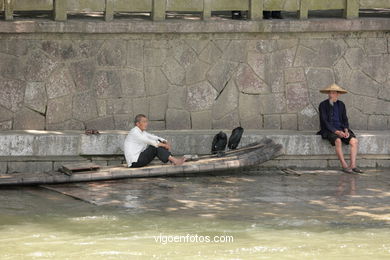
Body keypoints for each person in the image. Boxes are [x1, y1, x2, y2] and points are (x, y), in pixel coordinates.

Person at [317, 84, 363, 174]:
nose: (331, 95)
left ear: (338, 94)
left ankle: (353, 165)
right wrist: (336, 131)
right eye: (330, 93)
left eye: (333, 93)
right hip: (329, 130)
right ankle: (344, 165)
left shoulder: (341, 105)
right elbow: (324, 121)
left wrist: (346, 130)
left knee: (354, 141)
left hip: (341, 128)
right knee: (338, 141)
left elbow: (345, 119)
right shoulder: (323, 105)